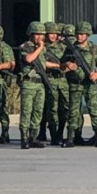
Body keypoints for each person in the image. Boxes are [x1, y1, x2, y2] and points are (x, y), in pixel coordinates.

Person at [18, 21, 61, 149]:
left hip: (40, 83)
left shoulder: (42, 48)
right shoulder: (25, 47)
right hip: (29, 83)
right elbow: (29, 59)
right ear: (31, 34)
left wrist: (59, 66)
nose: (39, 37)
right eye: (36, 34)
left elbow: (43, 63)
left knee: (38, 111)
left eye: (41, 35)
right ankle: (24, 138)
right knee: (27, 111)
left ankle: (33, 137)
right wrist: (39, 48)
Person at [63, 21, 97, 148]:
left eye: (82, 34)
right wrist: (68, 65)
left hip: (90, 84)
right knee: (73, 111)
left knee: (94, 110)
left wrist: (96, 75)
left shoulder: (94, 49)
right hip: (75, 84)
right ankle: (70, 137)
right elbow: (62, 64)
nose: (79, 36)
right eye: (78, 33)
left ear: (87, 35)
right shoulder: (70, 48)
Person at [40, 22, 70, 145]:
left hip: (63, 80)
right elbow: (42, 62)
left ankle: (60, 132)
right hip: (50, 80)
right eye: (50, 33)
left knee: (65, 108)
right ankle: (53, 134)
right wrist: (58, 66)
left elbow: (70, 60)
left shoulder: (64, 47)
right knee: (51, 108)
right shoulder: (42, 48)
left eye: (55, 33)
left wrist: (68, 66)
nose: (53, 36)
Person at [0, 24, 14, 144]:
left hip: (0, 80)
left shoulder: (4, 47)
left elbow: (11, 64)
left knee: (2, 108)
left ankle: (5, 132)